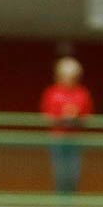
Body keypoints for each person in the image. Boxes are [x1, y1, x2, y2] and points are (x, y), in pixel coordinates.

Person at [41, 56, 93, 196]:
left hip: (75, 138)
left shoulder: (82, 93)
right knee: (60, 171)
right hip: (58, 137)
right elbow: (47, 116)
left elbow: (88, 116)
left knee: (74, 171)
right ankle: (61, 199)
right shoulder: (52, 92)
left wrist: (76, 117)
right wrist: (61, 117)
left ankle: (72, 198)